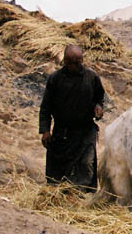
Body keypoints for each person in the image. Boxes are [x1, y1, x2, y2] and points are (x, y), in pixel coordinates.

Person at [39, 44, 105, 191]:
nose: (76, 66)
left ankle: (85, 196)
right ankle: (58, 194)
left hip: (85, 131)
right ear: (66, 62)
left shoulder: (92, 77)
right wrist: (45, 130)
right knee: (58, 169)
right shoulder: (55, 79)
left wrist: (99, 108)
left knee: (86, 165)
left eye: (79, 61)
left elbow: (99, 98)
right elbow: (46, 107)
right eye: (72, 62)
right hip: (62, 132)